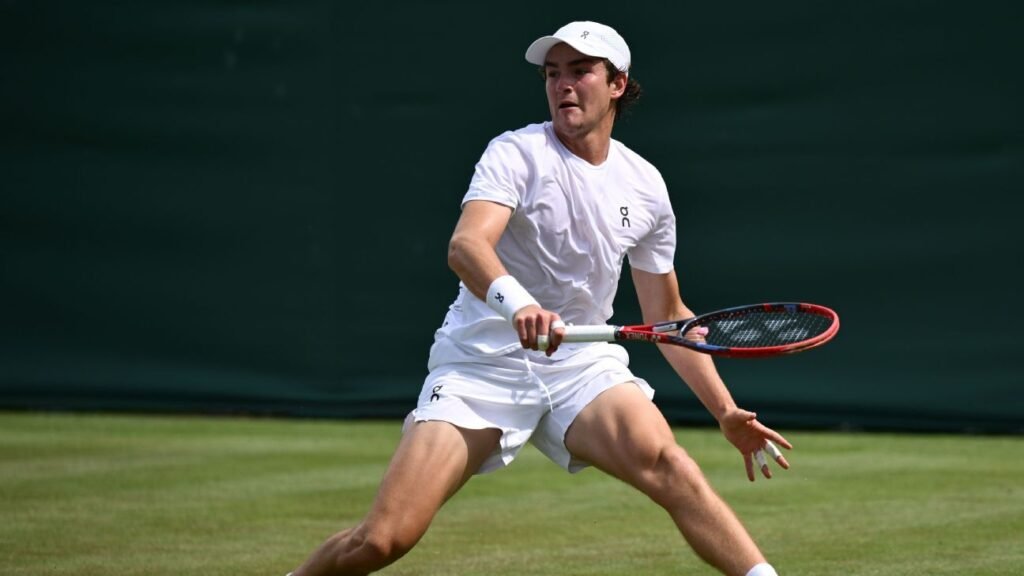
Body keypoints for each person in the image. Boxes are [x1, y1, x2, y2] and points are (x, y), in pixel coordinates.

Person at [289, 20, 791, 576]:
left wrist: (724, 412)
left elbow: (667, 316)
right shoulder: (516, 152)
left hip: (580, 364)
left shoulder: (645, 185)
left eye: (580, 71)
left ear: (617, 84)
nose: (563, 86)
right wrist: (519, 306)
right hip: (483, 362)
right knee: (383, 540)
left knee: (671, 465)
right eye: (553, 74)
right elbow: (466, 245)